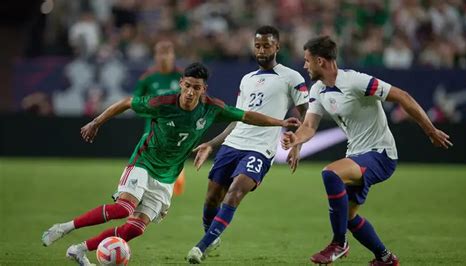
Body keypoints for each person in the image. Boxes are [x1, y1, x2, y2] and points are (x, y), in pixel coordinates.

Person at [41, 62, 301, 266]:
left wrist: (281, 123)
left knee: (136, 227)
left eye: (196, 88)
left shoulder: (212, 108)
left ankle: (79, 249)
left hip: (167, 175)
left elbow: (246, 115)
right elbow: (126, 103)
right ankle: (64, 228)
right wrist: (96, 122)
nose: (190, 92)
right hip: (144, 161)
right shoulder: (163, 103)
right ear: (181, 84)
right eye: (187, 86)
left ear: (203, 90)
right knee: (123, 209)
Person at [281, 36, 453, 265]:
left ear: (320, 61)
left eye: (307, 61)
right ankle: (385, 258)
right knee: (349, 216)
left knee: (330, 173)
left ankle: (338, 244)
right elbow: (309, 126)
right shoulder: (318, 90)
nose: (304, 66)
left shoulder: (356, 81)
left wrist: (430, 131)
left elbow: (403, 96)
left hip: (381, 154)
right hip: (357, 154)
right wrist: (296, 140)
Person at [186, 25, 309, 264]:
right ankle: (211, 236)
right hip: (233, 144)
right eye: (257, 46)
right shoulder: (247, 79)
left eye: (266, 45)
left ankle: (200, 247)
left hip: (260, 149)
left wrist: (298, 144)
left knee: (234, 193)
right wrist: (211, 143)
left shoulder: (292, 77)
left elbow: (307, 114)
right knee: (212, 199)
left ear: (277, 46)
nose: (261, 51)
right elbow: (238, 117)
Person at [133, 40, 186, 196]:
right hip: (154, 125)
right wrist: (149, 111)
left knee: (173, 154)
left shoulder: (182, 76)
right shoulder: (147, 78)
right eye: (161, 53)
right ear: (155, 56)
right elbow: (135, 102)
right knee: (149, 155)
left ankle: (176, 177)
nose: (164, 57)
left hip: (178, 126)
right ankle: (147, 187)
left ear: (173, 55)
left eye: (167, 53)